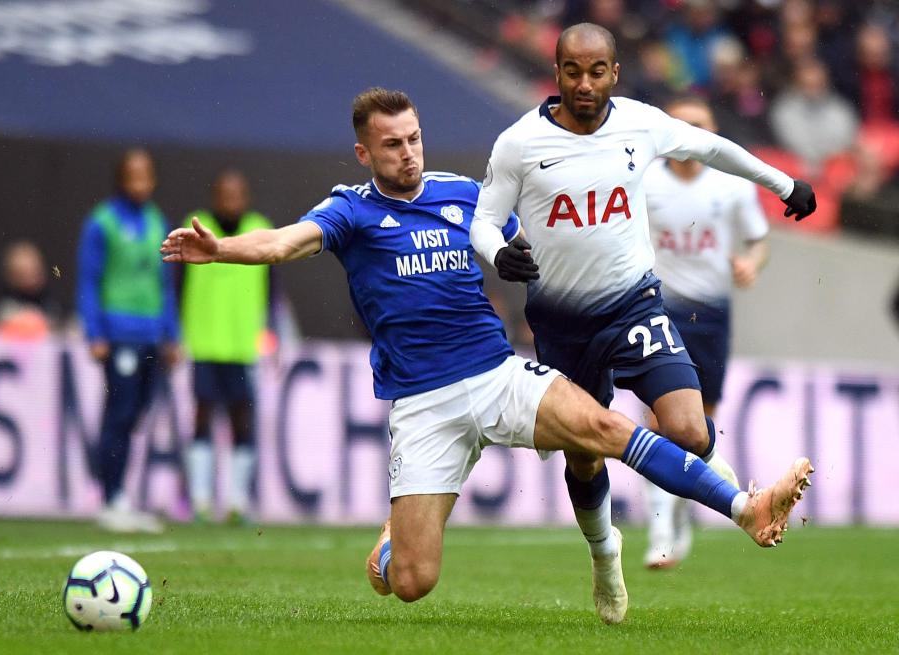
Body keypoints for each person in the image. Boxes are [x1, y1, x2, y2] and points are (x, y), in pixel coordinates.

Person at [161, 87, 813, 625]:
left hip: (497, 373)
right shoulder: (350, 212)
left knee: (606, 427)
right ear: (365, 152)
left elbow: (530, 242)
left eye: (413, 137)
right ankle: (392, 547)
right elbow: (282, 243)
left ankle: (743, 506)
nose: (408, 153)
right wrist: (220, 251)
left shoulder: (463, 193)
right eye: (392, 144)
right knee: (412, 582)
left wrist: (542, 257)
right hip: (424, 403)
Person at [470, 23, 817, 591]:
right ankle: (606, 556)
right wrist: (499, 252)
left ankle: (741, 504)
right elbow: (484, 221)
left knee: (688, 428)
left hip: (634, 306)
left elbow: (710, 146)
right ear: (556, 73)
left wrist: (782, 184)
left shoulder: (640, 122)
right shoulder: (519, 143)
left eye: (596, 71)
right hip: (561, 325)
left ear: (615, 73)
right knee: (584, 460)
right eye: (573, 71)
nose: (585, 83)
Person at [640, 96, 771, 569]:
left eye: (701, 124)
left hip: (712, 313)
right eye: (684, 125)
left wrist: (750, 264)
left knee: (699, 428)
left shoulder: (732, 185)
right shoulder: (645, 180)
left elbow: (758, 240)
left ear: (713, 131)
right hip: (657, 310)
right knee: (659, 419)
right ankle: (660, 529)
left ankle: (676, 521)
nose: (692, 134)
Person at [77, 148, 180, 533]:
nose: (142, 183)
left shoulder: (156, 221)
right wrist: (95, 331)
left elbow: (164, 283)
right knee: (118, 414)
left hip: (151, 333)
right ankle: (110, 498)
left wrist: (172, 334)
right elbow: (88, 280)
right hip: (118, 334)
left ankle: (120, 496)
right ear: (122, 179)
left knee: (134, 418)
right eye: (134, 176)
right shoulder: (101, 223)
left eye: (147, 175)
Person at [181, 170, 273, 524]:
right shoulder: (195, 226)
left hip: (243, 345)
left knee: (242, 421)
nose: (230, 201)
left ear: (246, 197)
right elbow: (176, 282)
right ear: (214, 196)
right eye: (224, 194)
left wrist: (272, 333)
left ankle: (237, 502)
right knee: (202, 417)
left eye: (237, 194)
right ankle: (201, 501)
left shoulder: (260, 227)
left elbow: (273, 288)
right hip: (204, 343)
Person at [0, 240, 61, 340]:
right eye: (23, 274)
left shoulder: (52, 303)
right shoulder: (3, 306)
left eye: (35, 273)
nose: (31, 280)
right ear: (11, 276)